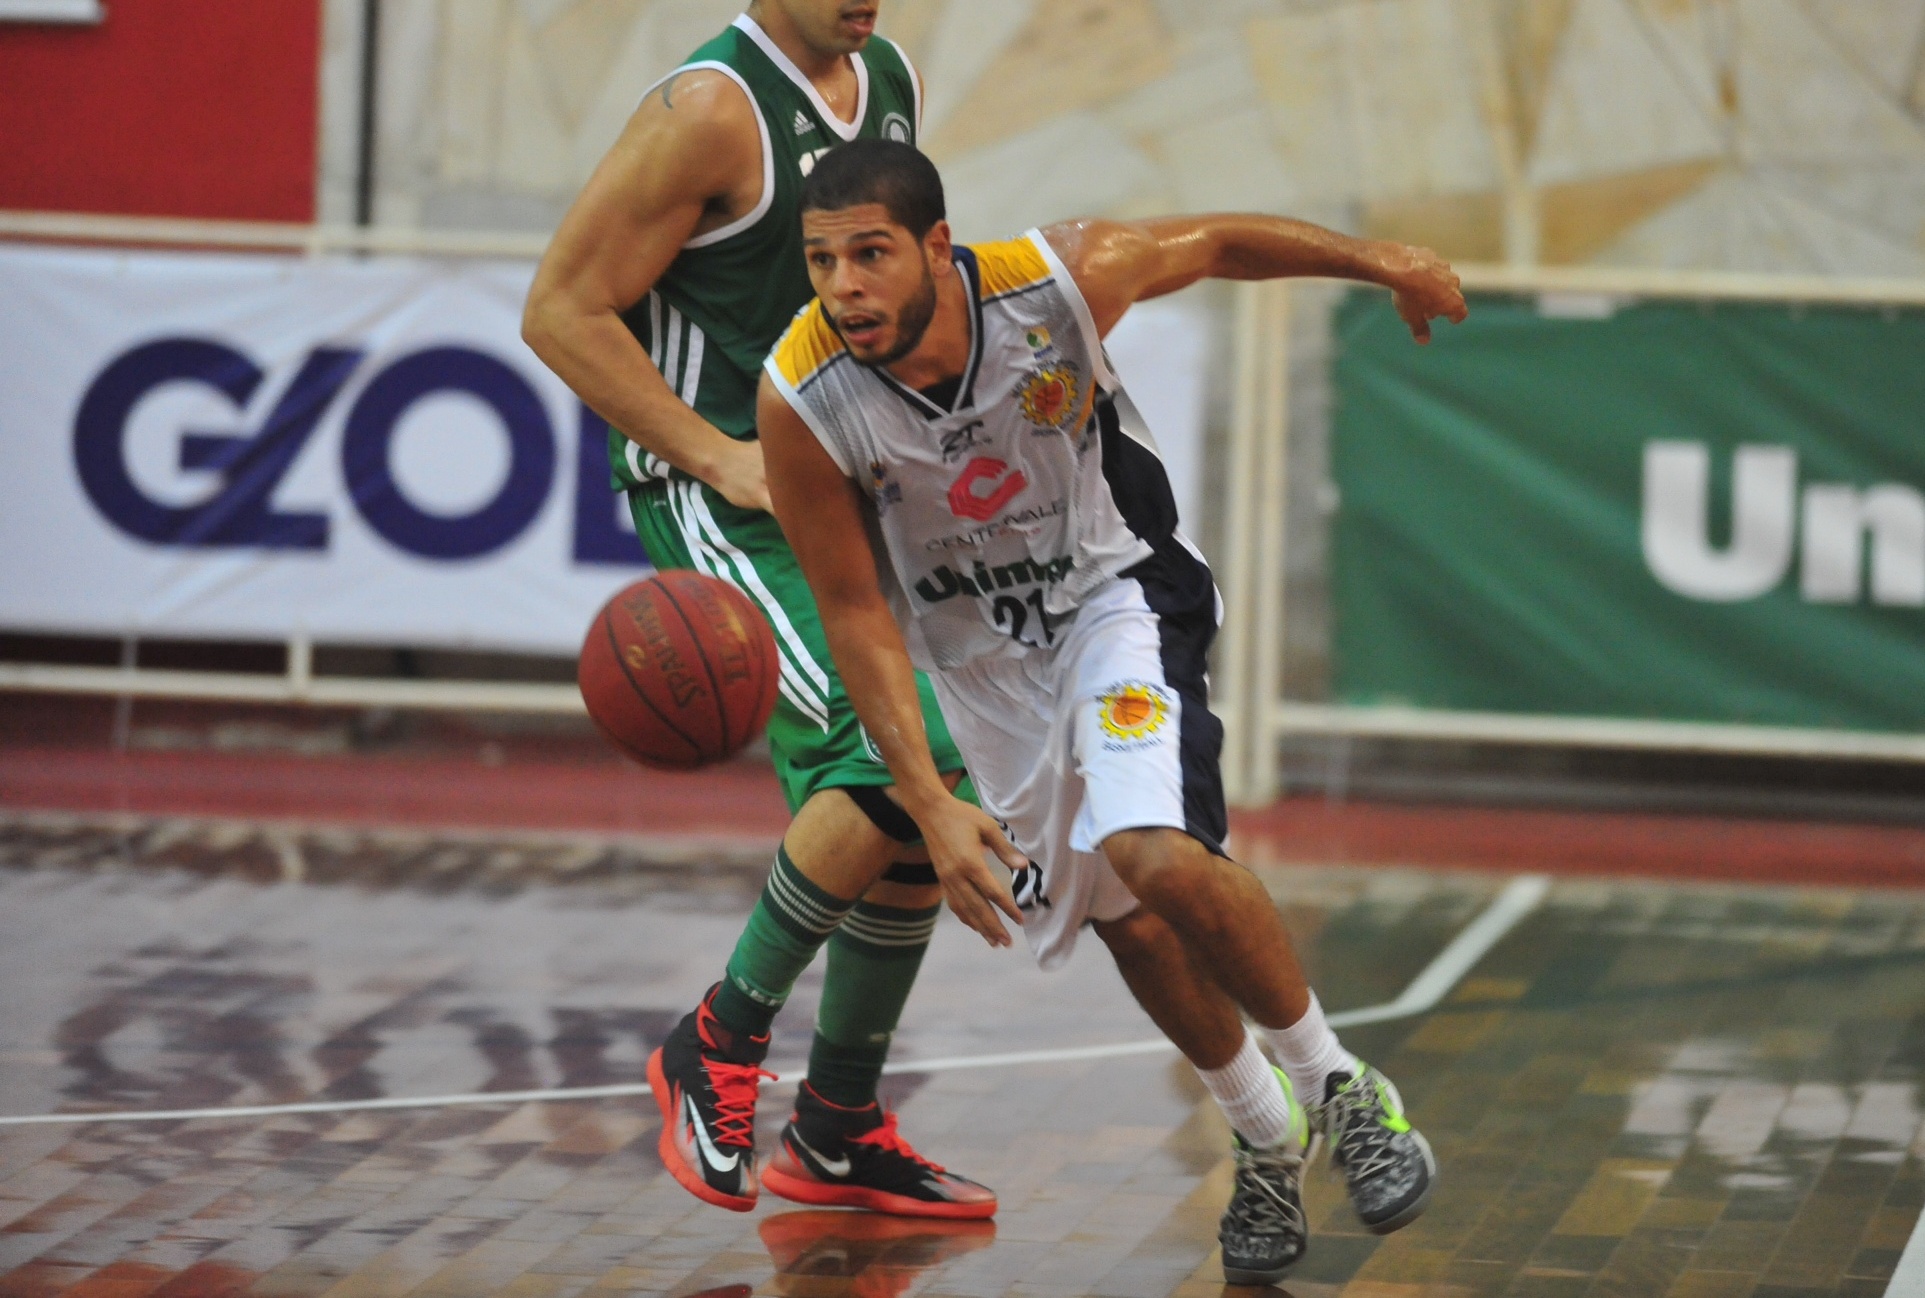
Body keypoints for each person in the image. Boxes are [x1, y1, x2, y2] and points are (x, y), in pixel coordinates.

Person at [756, 140, 1468, 1283]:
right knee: (1125, 919)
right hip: (982, 667)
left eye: (870, 254)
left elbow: (1218, 241)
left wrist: (1378, 258)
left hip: (1114, 598)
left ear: (936, 247)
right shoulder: (801, 396)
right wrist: (929, 803)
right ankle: (1263, 1132)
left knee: (1151, 848)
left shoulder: (1057, 280)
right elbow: (852, 612)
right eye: (821, 260)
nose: (844, 286)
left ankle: (1339, 1084)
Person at [522, 2, 995, 1219]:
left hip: (835, 478)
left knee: (920, 794)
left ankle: (835, 1123)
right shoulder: (708, 111)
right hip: (718, 493)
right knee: (907, 747)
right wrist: (718, 456)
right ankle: (716, 1037)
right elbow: (559, 310)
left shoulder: (886, 76)